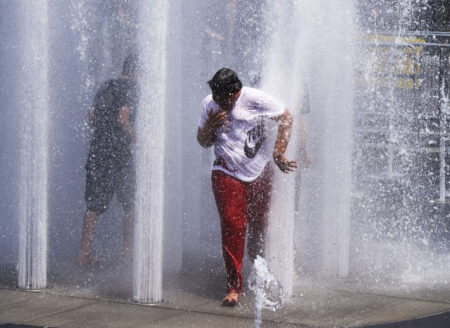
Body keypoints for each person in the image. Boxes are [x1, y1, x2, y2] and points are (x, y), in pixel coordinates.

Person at [197, 68, 299, 306]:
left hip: (260, 171)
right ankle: (234, 286)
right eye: (214, 96)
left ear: (235, 93)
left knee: (259, 223)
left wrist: (279, 152)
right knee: (232, 226)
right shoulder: (209, 105)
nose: (216, 102)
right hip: (226, 172)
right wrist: (210, 125)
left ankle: (258, 268)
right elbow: (202, 141)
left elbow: (287, 117)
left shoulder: (253, 99)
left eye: (221, 98)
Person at [77, 54, 139, 265]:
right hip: (119, 154)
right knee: (130, 202)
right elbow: (123, 118)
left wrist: (104, 130)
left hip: (98, 150)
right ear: (135, 72)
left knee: (93, 204)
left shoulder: (105, 86)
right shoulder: (131, 88)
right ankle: (127, 252)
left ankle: (83, 253)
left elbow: (91, 117)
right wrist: (137, 139)